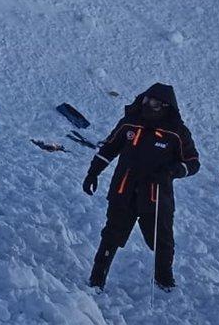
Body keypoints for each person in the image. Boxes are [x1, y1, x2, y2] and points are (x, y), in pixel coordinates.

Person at [82, 83, 199, 291]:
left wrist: (173, 171)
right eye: (145, 99)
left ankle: (164, 281)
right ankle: (96, 280)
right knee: (111, 235)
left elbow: (192, 162)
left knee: (162, 242)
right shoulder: (130, 123)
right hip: (123, 190)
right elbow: (109, 148)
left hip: (156, 196)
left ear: (165, 106)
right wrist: (93, 172)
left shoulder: (176, 132)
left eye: (153, 102)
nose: (147, 105)